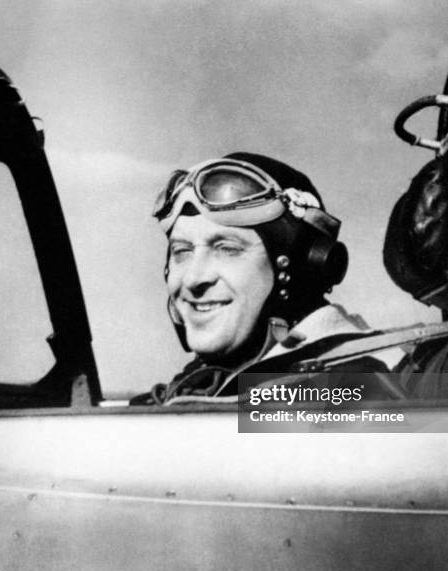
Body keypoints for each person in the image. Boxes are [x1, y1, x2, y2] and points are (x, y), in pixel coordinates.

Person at [132, 152, 406, 405]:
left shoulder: (354, 394)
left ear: (301, 268)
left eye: (227, 249)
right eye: (182, 252)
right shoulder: (202, 385)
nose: (193, 278)